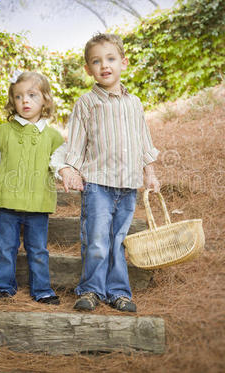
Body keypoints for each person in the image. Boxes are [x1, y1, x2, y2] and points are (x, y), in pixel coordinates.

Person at [59, 33, 160, 313]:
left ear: (123, 62)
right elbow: (76, 144)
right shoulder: (86, 104)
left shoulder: (135, 104)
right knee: (97, 241)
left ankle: (118, 291)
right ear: (88, 69)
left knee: (118, 241)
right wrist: (71, 170)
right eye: (96, 61)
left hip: (127, 185)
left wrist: (149, 173)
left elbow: (143, 142)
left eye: (111, 58)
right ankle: (91, 289)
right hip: (98, 185)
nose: (105, 65)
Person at [0, 71, 63, 305]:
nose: (25, 101)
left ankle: (42, 289)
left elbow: (59, 161)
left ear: (45, 99)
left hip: (38, 203)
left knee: (38, 250)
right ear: (12, 101)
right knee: (5, 246)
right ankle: (4, 285)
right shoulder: (3, 132)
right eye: (19, 96)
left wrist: (65, 172)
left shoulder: (53, 137)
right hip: (6, 203)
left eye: (32, 95)